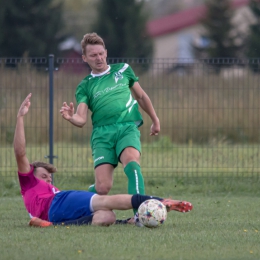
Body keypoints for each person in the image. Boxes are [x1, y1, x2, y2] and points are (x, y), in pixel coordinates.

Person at [15, 94, 192, 227]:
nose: (48, 179)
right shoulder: (28, 182)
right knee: (106, 200)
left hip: (54, 213)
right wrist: (20, 118)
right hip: (59, 203)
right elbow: (20, 152)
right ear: (31, 175)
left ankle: (53, 226)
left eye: (49, 177)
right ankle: (161, 200)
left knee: (107, 216)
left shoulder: (49, 192)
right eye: (44, 176)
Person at [60, 33, 160, 221]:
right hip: (102, 134)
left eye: (100, 53)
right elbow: (81, 119)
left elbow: (141, 96)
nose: (98, 58)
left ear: (106, 52)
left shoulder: (123, 70)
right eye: (93, 55)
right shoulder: (85, 86)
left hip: (127, 127)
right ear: (84, 58)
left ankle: (140, 216)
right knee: (103, 188)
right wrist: (70, 117)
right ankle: (80, 200)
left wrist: (155, 119)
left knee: (132, 164)